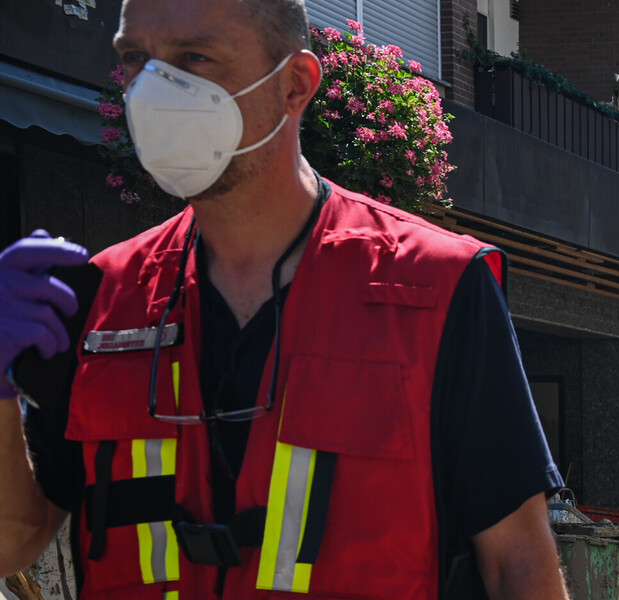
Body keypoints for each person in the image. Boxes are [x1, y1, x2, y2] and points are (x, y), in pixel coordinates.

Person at [0, 0, 568, 596]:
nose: (154, 89)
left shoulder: (438, 287)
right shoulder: (103, 296)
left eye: (194, 58)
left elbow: (518, 565)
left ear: (295, 84)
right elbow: (13, 542)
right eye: (136, 59)